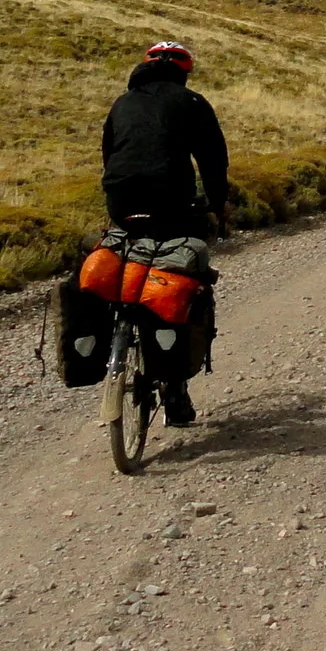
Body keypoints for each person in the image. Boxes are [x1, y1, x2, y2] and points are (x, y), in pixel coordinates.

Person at [100, 40, 231, 426]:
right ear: (184, 72)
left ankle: (119, 326)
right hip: (172, 201)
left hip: (120, 197)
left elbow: (110, 155)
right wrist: (218, 206)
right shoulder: (191, 103)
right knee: (182, 274)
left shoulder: (122, 103)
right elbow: (212, 159)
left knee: (128, 254)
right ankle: (174, 391)